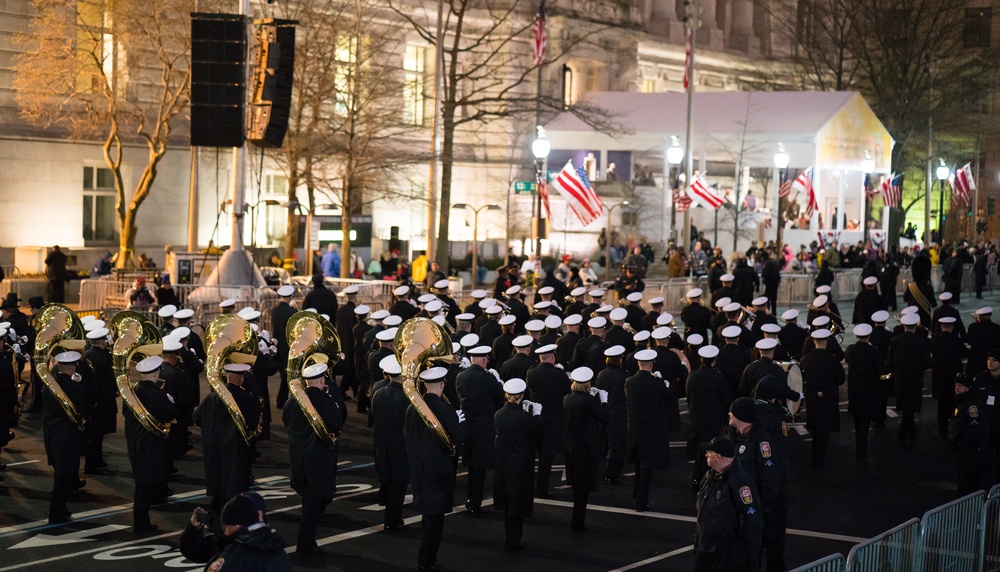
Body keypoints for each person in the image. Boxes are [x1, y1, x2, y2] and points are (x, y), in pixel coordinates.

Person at [282, 362, 346, 554]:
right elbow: (336, 424)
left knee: (308, 501)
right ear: (320, 380)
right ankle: (305, 544)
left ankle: (307, 542)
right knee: (312, 505)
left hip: (297, 457)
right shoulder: (325, 401)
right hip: (317, 459)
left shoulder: (292, 402)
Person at [405, 367, 464, 572]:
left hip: (419, 467)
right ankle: (427, 561)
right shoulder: (444, 409)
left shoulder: (412, 408)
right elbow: (457, 439)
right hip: (438, 468)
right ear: (441, 385)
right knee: (434, 520)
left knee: (428, 517)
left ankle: (427, 558)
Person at [193, 363, 261, 516]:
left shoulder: (212, 396)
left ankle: (214, 520)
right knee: (233, 488)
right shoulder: (245, 398)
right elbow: (253, 423)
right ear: (242, 378)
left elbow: (196, 418)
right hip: (234, 449)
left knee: (217, 485)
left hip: (213, 448)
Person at [693, 436, 764, 572]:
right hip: (706, 544)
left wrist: (751, 557)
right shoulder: (711, 476)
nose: (706, 454)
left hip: (724, 551)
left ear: (718, 457)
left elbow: (752, 519)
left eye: (709, 452)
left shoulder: (739, 481)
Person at [125, 356, 176, 532]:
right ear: (155, 374)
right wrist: (169, 402)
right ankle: (141, 522)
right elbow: (169, 415)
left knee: (142, 482)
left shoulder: (133, 391)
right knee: (145, 485)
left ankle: (141, 520)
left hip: (135, 442)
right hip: (151, 444)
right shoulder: (157, 393)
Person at [626, 349, 680, 512]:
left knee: (638, 464)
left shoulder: (630, 381)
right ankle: (641, 502)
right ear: (651, 364)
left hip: (635, 429)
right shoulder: (656, 383)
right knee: (647, 467)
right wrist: (665, 383)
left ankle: (636, 495)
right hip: (651, 430)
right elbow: (669, 398)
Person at [493, 378, 543, 551]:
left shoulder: (499, 414)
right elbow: (538, 434)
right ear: (521, 396)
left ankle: (509, 538)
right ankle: (515, 540)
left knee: (508, 503)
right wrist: (536, 415)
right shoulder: (524, 417)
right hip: (521, 465)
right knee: (518, 504)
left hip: (504, 464)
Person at [180, 493, 292, 570]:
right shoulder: (277, 549)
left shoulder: (234, 557)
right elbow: (197, 551)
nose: (225, 530)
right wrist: (194, 528)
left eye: (227, 525)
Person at [44, 351, 92, 524]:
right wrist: (80, 385)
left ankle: (60, 510)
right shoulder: (74, 388)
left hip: (51, 434)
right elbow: (85, 407)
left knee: (61, 474)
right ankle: (56, 513)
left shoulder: (49, 385)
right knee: (62, 478)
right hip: (66, 436)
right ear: (72, 367)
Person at [456, 346, 505, 512]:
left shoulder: (461, 376)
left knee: (471, 464)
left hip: (467, 425)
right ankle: (474, 502)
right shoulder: (488, 378)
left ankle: (471, 498)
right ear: (484, 360)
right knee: (480, 466)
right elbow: (500, 397)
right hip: (484, 426)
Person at [563, 367, 608, 531]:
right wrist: (603, 401)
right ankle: (578, 522)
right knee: (583, 489)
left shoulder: (567, 398)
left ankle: (577, 521)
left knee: (577, 486)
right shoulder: (589, 401)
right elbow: (604, 417)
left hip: (571, 446)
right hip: (586, 447)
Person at [524, 344, 571, 496]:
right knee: (547, 455)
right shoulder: (558, 373)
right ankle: (542, 489)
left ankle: (530, 486)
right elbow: (568, 390)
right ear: (552, 357)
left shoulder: (531, 372)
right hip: (553, 419)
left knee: (535, 453)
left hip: (536, 417)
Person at [371, 355, 409, 531]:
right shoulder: (407, 397)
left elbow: (373, 418)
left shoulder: (378, 393)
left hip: (381, 443)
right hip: (400, 446)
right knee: (399, 484)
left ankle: (388, 513)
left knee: (387, 479)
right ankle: (392, 520)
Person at [799, 329, 844, 468]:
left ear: (814, 341)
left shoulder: (806, 359)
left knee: (815, 427)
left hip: (812, 398)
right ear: (827, 342)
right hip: (828, 398)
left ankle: (815, 455)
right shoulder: (832, 359)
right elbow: (841, 379)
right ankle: (819, 460)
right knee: (824, 430)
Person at [889, 314, 931, 447]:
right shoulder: (920, 342)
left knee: (906, 406)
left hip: (900, 377)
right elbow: (927, 362)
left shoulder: (895, 340)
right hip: (915, 377)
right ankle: (903, 434)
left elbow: (890, 359)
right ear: (915, 326)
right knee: (910, 406)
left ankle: (910, 433)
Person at [844, 324, 884, 459]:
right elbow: (881, 369)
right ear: (869, 336)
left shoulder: (851, 350)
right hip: (868, 392)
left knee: (858, 421)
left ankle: (859, 448)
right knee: (864, 424)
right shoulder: (874, 352)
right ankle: (861, 450)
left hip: (854, 391)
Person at [950, 374, 993, 494]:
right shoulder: (961, 401)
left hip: (969, 452)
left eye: (960, 385)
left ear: (967, 387)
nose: (956, 388)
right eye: (956, 385)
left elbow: (975, 427)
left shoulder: (972, 405)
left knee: (968, 485)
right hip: (963, 450)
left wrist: (962, 442)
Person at [83, 327, 117, 475]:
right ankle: (92, 465)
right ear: (103, 341)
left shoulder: (88, 355)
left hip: (93, 399)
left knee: (95, 434)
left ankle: (97, 461)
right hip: (103, 399)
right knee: (97, 435)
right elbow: (112, 377)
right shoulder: (106, 357)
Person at [930, 317, 968, 437]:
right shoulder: (955, 339)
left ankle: (942, 429)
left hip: (939, 377)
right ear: (952, 326)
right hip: (953, 377)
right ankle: (953, 427)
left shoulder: (935, 340)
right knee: (954, 403)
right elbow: (964, 353)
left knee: (941, 405)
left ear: (941, 326)